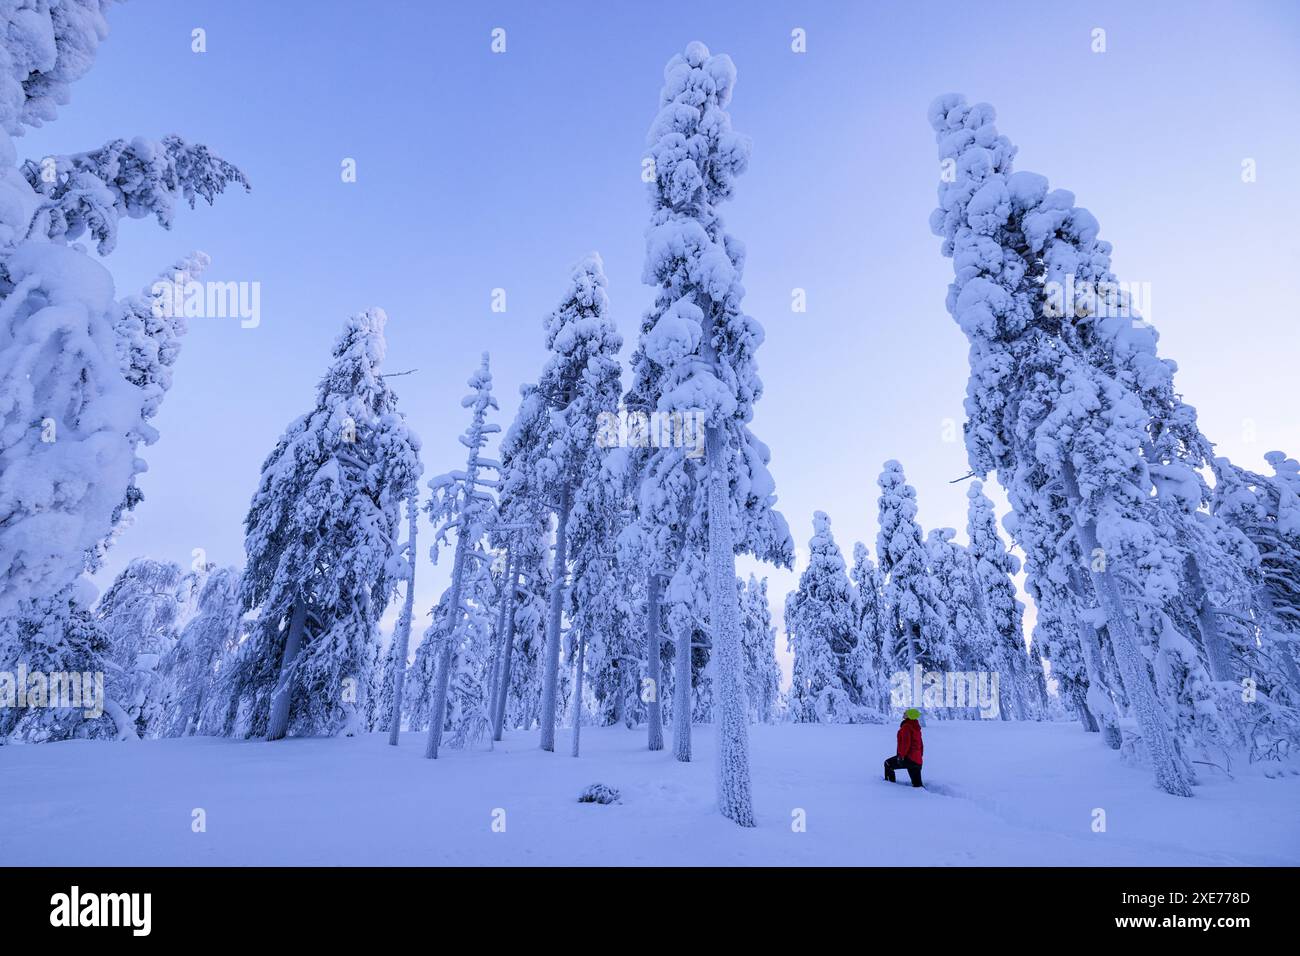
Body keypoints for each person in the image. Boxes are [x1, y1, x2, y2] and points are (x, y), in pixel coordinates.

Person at [884, 708, 924, 787]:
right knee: (917, 785)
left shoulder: (906, 726)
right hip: (917, 760)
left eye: (906, 713)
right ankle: (928, 797)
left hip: (909, 758)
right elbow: (921, 745)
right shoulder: (917, 728)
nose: (904, 713)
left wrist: (901, 756)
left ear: (910, 716)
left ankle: (889, 786)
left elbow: (906, 743)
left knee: (888, 764)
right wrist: (919, 757)